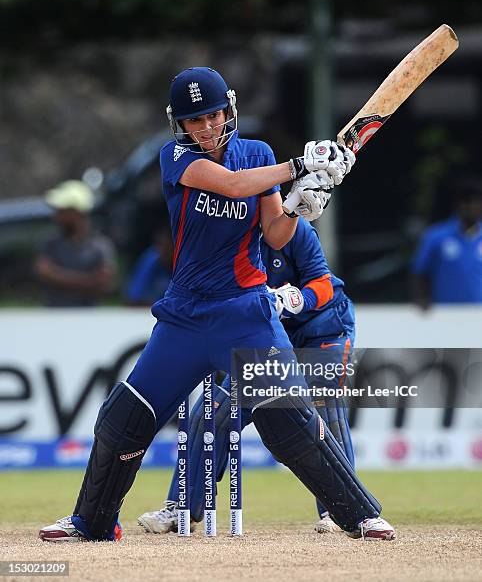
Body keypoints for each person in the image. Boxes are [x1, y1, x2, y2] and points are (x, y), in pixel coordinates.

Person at [39, 66, 394, 543]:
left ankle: (360, 515)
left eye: (213, 116)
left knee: (289, 419)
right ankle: (91, 522)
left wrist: (297, 205)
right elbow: (230, 185)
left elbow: (274, 234)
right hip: (184, 318)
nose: (205, 128)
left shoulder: (258, 154)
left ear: (229, 110)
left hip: (246, 315)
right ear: (179, 125)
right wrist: (299, 167)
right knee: (124, 417)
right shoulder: (176, 157)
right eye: (194, 121)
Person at [138, 217, 356, 535]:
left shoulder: (297, 231)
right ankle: (182, 507)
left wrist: (295, 300)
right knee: (212, 413)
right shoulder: (224, 238)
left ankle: (342, 511)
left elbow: (322, 284)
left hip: (322, 328)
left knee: (324, 409)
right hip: (267, 335)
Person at [35, 179, 117, 307]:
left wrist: (59, 277)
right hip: (52, 320)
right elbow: (45, 272)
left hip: (89, 321)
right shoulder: (51, 244)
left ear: (76, 213)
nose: (57, 216)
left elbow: (104, 282)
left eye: (62, 211)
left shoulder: (100, 246)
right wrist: (89, 280)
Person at [412, 176, 482, 309]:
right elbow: (420, 271)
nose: (471, 207)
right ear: (458, 204)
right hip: (446, 315)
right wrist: (422, 298)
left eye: (476, 202)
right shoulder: (436, 236)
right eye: (467, 201)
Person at [125, 225, 173, 305]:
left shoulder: (184, 263)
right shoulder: (152, 257)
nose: (162, 250)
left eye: (167, 246)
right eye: (159, 245)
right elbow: (133, 297)